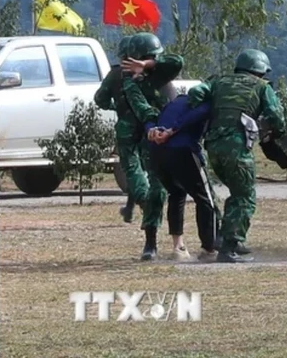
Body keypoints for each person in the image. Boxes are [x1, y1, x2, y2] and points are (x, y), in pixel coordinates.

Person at [187, 49, 286, 263]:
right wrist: (275, 133)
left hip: (213, 147)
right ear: (260, 70)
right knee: (245, 197)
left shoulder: (218, 82)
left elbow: (195, 93)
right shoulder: (262, 87)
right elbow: (277, 116)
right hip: (237, 147)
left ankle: (226, 239)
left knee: (236, 192)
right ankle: (228, 247)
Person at [109, 32, 183, 260]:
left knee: (154, 187)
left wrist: (148, 65)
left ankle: (155, 238)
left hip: (158, 136)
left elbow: (176, 61)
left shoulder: (161, 74)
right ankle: (151, 242)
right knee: (149, 187)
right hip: (151, 135)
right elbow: (142, 107)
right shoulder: (128, 82)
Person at [144, 92, 222, 261]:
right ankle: (209, 249)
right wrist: (173, 130)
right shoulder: (206, 102)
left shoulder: (174, 102)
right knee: (205, 198)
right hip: (182, 150)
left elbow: (152, 119)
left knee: (176, 193)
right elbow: (197, 114)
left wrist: (151, 130)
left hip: (157, 152)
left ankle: (178, 247)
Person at [93, 36, 137, 224]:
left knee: (133, 170)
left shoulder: (116, 75)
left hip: (127, 128)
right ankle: (130, 207)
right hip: (152, 127)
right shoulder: (152, 74)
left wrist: (114, 106)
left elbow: (100, 99)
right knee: (142, 170)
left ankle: (142, 204)